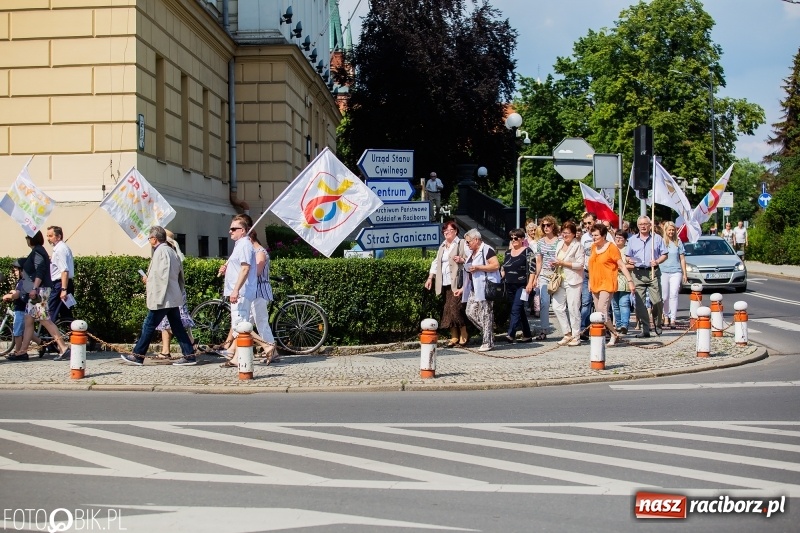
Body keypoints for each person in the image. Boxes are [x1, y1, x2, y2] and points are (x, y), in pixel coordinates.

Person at [120, 226, 198, 366]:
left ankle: (138, 355)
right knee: (177, 327)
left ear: (154, 239)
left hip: (163, 297)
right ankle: (189, 355)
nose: (149, 241)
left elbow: (161, 277)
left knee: (149, 325)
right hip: (171, 296)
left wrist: (149, 281)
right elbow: (176, 275)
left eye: (149, 238)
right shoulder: (170, 250)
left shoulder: (161, 251)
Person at [16, 231, 71, 361]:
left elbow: (40, 271)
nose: (26, 240)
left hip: (39, 291)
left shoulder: (38, 251)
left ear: (32, 239)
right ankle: (23, 352)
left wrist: (34, 288)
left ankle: (63, 347)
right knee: (28, 320)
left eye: (27, 238)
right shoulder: (38, 250)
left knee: (44, 320)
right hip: (38, 291)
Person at [218, 214, 257, 367]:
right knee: (239, 325)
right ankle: (237, 358)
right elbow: (238, 266)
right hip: (238, 291)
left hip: (241, 292)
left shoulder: (245, 245)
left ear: (243, 230)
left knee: (240, 325)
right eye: (230, 228)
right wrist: (227, 268)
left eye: (234, 229)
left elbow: (245, 268)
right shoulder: (239, 244)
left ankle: (267, 346)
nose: (230, 231)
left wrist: (235, 290)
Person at [588, 223, 636, 346]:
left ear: (604, 235)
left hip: (607, 282)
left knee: (603, 310)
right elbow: (592, 266)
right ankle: (612, 333)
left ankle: (613, 333)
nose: (594, 237)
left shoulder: (611, 248)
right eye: (592, 235)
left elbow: (621, 265)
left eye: (596, 235)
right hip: (595, 282)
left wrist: (630, 281)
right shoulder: (593, 247)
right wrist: (589, 281)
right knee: (598, 312)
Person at [454, 228, 500, 352]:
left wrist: (478, 267)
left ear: (476, 240)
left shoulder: (487, 249)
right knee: (470, 312)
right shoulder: (471, 253)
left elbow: (495, 265)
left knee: (486, 314)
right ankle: (488, 332)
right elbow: (469, 273)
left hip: (485, 287)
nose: (467, 244)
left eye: (468, 242)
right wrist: (463, 289)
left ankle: (487, 342)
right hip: (473, 288)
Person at [424, 221, 469, 347]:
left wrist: (462, 260)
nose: (446, 232)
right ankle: (454, 336)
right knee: (447, 309)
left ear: (455, 231)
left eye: (448, 230)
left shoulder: (461, 243)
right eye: (444, 230)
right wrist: (430, 278)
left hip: (457, 282)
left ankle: (464, 332)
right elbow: (436, 262)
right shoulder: (443, 246)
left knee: (455, 308)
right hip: (444, 282)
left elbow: (471, 259)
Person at [154, 230, 195, 358]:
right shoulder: (172, 253)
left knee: (173, 323)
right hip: (174, 292)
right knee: (168, 322)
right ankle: (166, 350)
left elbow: (165, 275)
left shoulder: (167, 253)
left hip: (171, 293)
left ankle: (190, 344)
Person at [625, 215, 668, 337]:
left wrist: (657, 261)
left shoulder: (657, 238)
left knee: (657, 300)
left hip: (653, 271)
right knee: (639, 303)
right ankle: (645, 329)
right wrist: (630, 260)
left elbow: (665, 254)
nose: (643, 226)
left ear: (650, 225)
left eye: (645, 224)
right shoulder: (632, 240)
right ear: (638, 226)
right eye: (641, 224)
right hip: (638, 273)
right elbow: (628, 256)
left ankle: (657, 323)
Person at [549, 221, 585, 346]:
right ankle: (567, 333)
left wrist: (563, 263)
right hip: (560, 279)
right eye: (563, 232)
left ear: (574, 234)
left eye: (568, 233)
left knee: (573, 308)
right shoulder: (559, 244)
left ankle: (576, 336)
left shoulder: (578, 246)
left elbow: (580, 265)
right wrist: (554, 263)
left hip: (573, 280)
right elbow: (557, 259)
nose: (565, 235)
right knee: (556, 306)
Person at [500, 228, 534, 343]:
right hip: (509, 284)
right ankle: (527, 334)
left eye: (516, 238)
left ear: (522, 239)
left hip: (522, 285)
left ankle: (511, 333)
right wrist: (500, 277)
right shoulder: (508, 253)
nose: (513, 240)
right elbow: (504, 268)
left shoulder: (528, 251)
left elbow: (532, 269)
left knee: (516, 309)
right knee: (519, 310)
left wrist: (530, 283)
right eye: (511, 238)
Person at [249, 230, 277, 361]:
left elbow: (258, 271)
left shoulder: (259, 252)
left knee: (261, 322)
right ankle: (240, 353)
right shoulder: (255, 251)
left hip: (259, 291)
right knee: (246, 323)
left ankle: (271, 351)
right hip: (254, 291)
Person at [533, 216, 561, 340]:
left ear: (553, 225)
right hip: (545, 273)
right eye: (543, 225)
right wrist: (536, 277)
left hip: (558, 274)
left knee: (559, 303)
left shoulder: (560, 241)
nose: (546, 227)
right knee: (544, 302)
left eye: (548, 225)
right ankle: (544, 329)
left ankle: (567, 329)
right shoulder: (540, 242)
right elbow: (539, 261)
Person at [660, 221, 688, 329]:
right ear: (665, 231)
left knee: (674, 294)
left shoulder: (678, 242)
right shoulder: (661, 242)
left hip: (676, 271)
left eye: (673, 230)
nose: (671, 232)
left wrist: (685, 273)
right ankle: (665, 316)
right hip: (663, 271)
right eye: (669, 230)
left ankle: (673, 318)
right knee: (665, 296)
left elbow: (682, 258)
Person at [46, 226, 75, 324]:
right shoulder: (60, 248)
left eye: (50, 236)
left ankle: (51, 337)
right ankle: (72, 335)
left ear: (58, 236)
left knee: (51, 310)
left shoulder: (60, 250)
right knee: (66, 313)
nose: (48, 239)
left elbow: (64, 270)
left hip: (61, 285)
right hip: (64, 284)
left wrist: (63, 289)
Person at [2, 259, 29, 359]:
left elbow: (18, 295)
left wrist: (8, 296)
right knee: (27, 330)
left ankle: (18, 352)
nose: (15, 272)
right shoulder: (22, 281)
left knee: (17, 332)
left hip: (20, 310)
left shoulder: (22, 281)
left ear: (22, 270)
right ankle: (41, 343)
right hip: (22, 309)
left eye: (17, 270)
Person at [578, 212, 599, 340]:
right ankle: (583, 329)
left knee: (600, 304)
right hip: (586, 273)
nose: (587, 225)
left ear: (595, 222)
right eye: (585, 223)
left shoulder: (604, 235)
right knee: (586, 302)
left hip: (600, 273)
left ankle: (604, 328)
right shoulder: (584, 237)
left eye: (589, 223)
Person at [610, 231, 633, 335]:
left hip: (624, 279)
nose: (618, 240)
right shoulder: (611, 249)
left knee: (624, 303)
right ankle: (618, 325)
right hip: (613, 279)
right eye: (617, 237)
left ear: (625, 240)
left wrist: (622, 266)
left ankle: (624, 325)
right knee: (615, 305)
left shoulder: (628, 250)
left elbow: (632, 265)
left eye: (621, 238)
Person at [524, 220, 542, 318]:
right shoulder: (524, 242)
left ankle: (537, 309)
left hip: (536, 266)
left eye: (534, 230)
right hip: (526, 266)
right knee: (527, 287)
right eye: (531, 230)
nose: (533, 232)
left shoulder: (538, 241)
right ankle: (527, 307)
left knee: (536, 288)